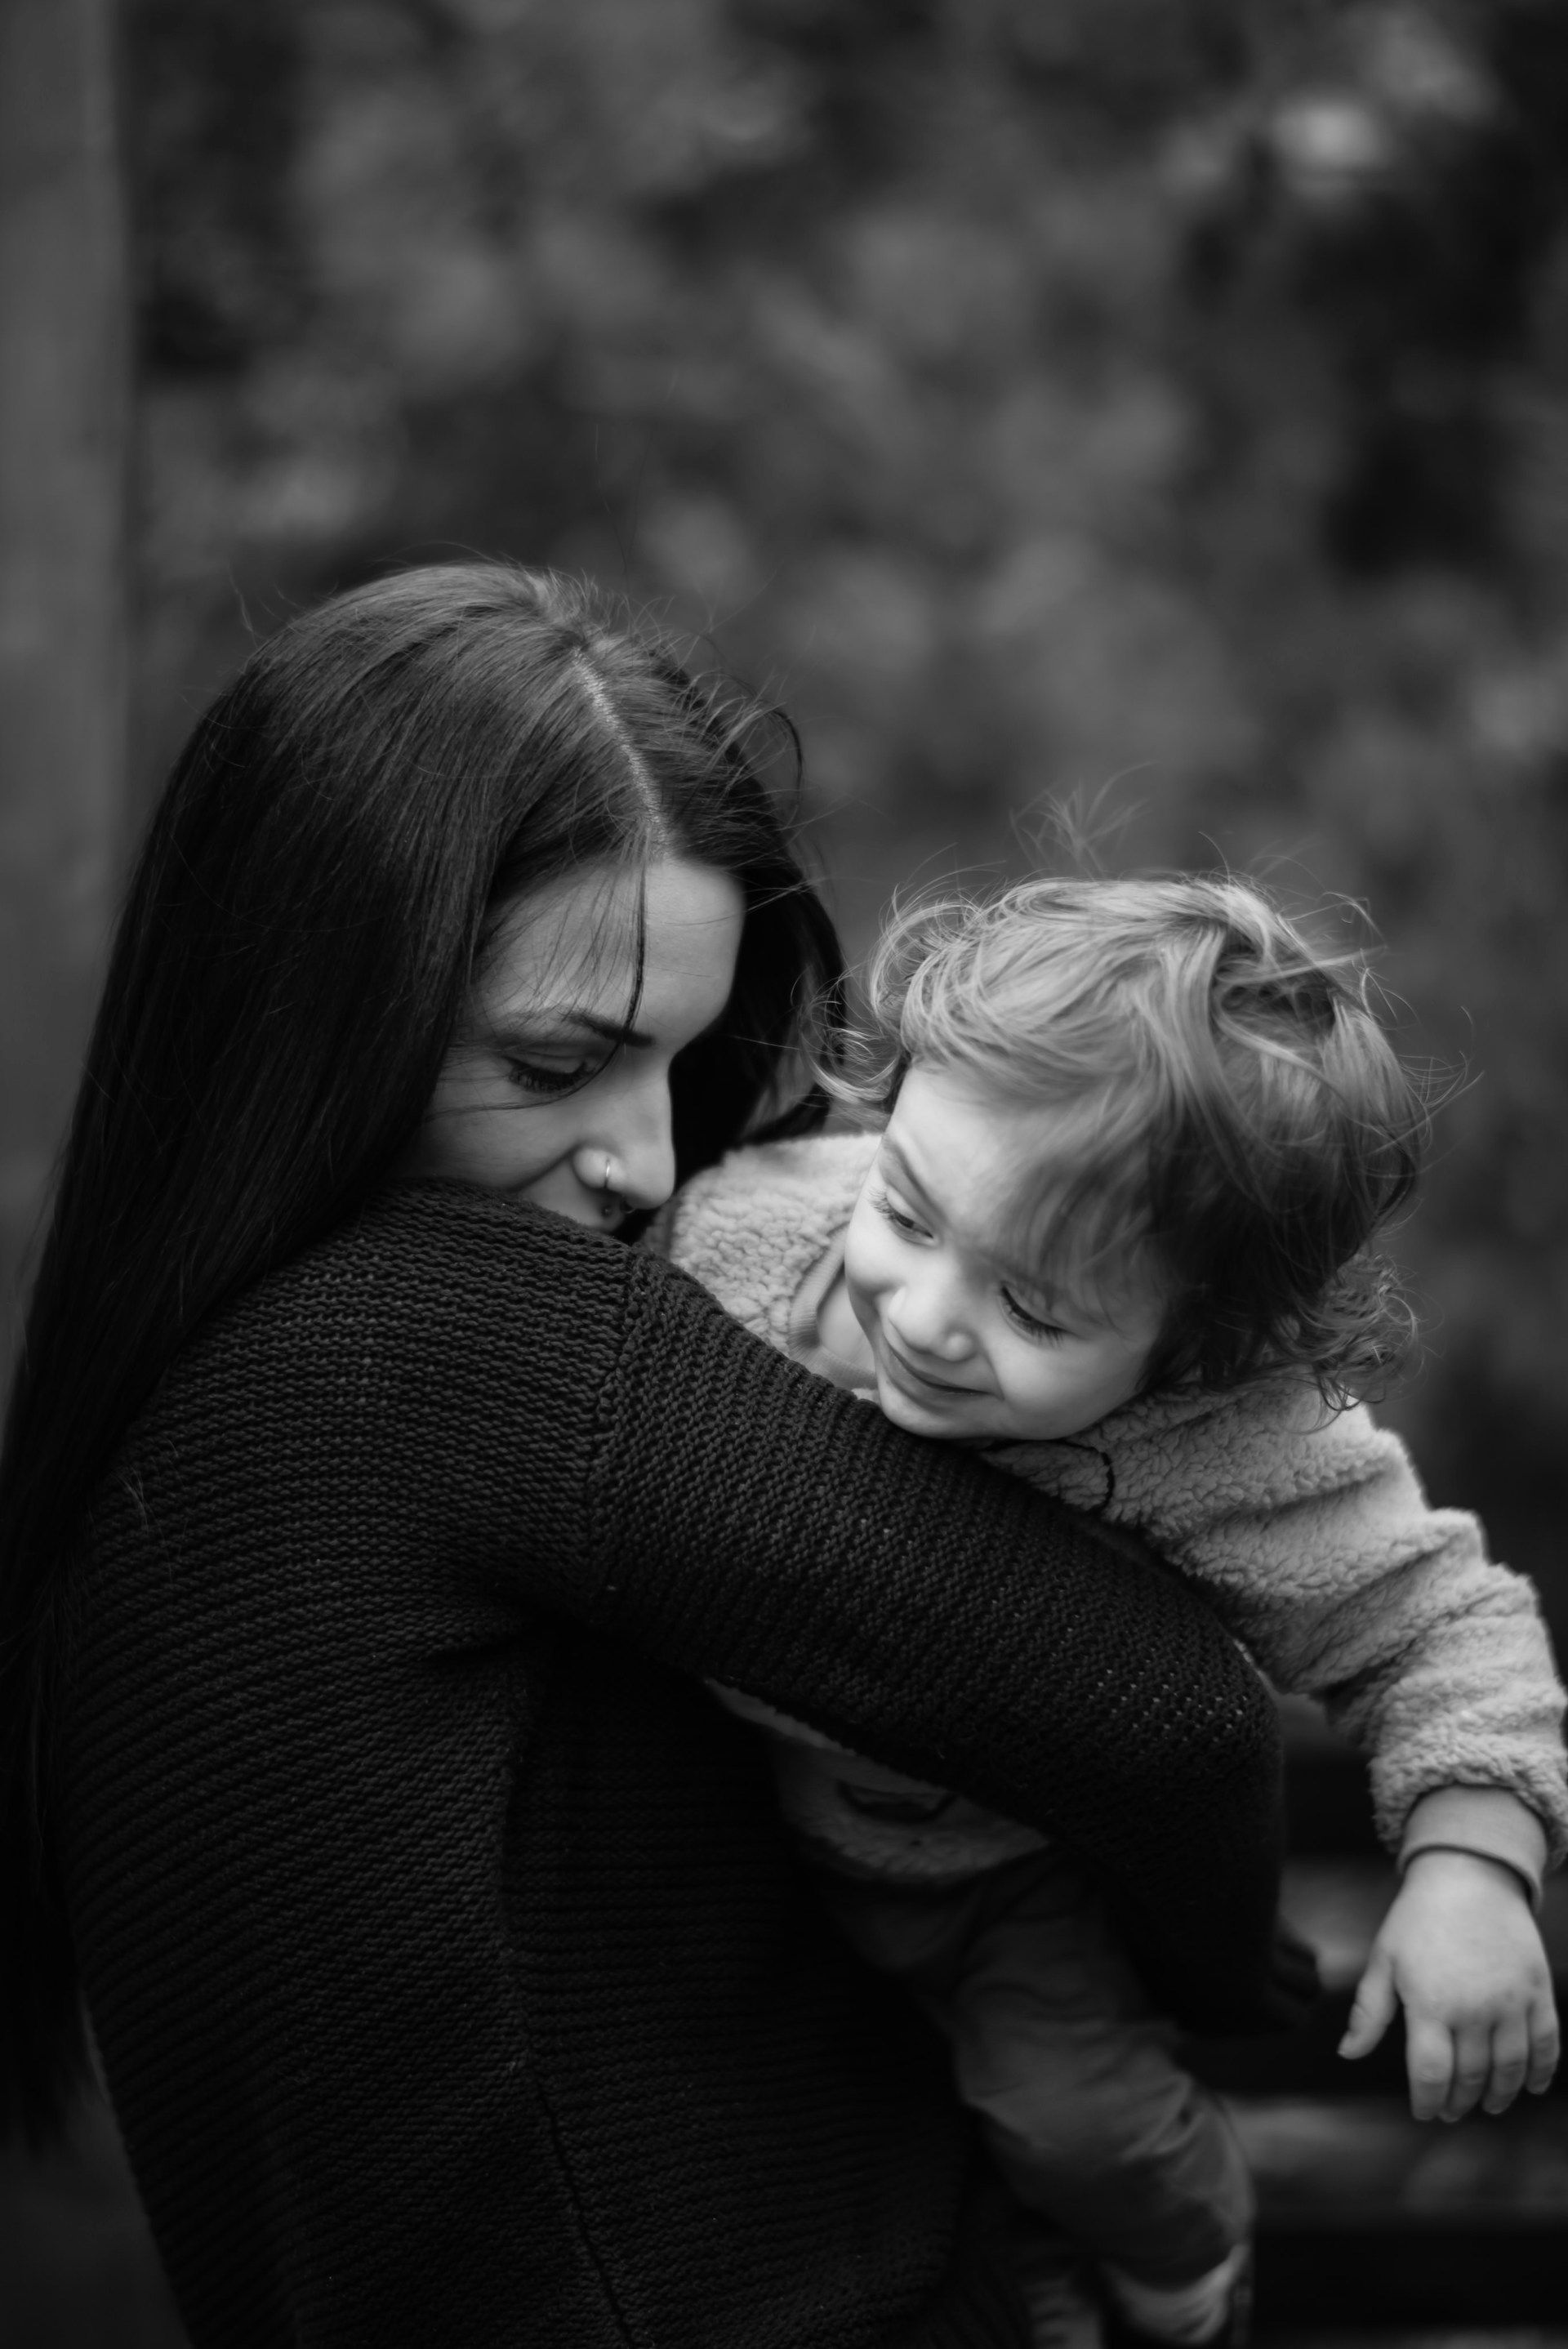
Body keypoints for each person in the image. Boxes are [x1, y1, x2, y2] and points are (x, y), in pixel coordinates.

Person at [0, 566, 1307, 2349]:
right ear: (320, 996)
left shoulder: (134, 1446)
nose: (640, 1161)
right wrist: (1214, 1987)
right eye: (559, 1060)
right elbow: (1173, 1719)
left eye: (679, 1071)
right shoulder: (441, 1331)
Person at [659, 874, 1568, 2349]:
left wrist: (1474, 1869)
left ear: (1205, 1348)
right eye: (906, 1206)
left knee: (1075, 2125)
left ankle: (1187, 2270)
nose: (927, 1312)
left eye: (1036, 1311)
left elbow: (1437, 1623)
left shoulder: (1226, 1445)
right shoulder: (736, 1236)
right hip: (740, 1822)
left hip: (999, 1881)